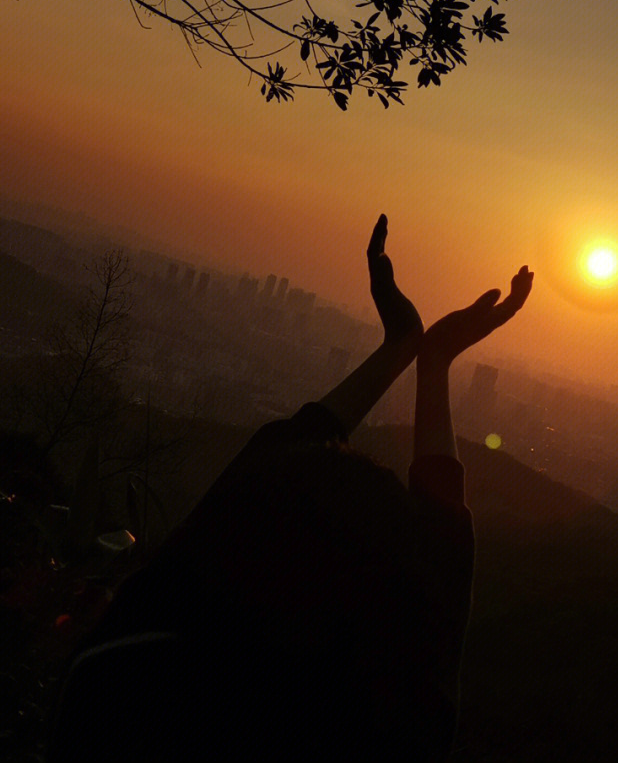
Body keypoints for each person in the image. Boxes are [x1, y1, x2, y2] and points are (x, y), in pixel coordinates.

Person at [48, 216, 533, 762]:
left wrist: (404, 347)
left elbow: (250, 488)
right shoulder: (374, 726)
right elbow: (439, 575)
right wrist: (431, 360)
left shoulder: (126, 677)